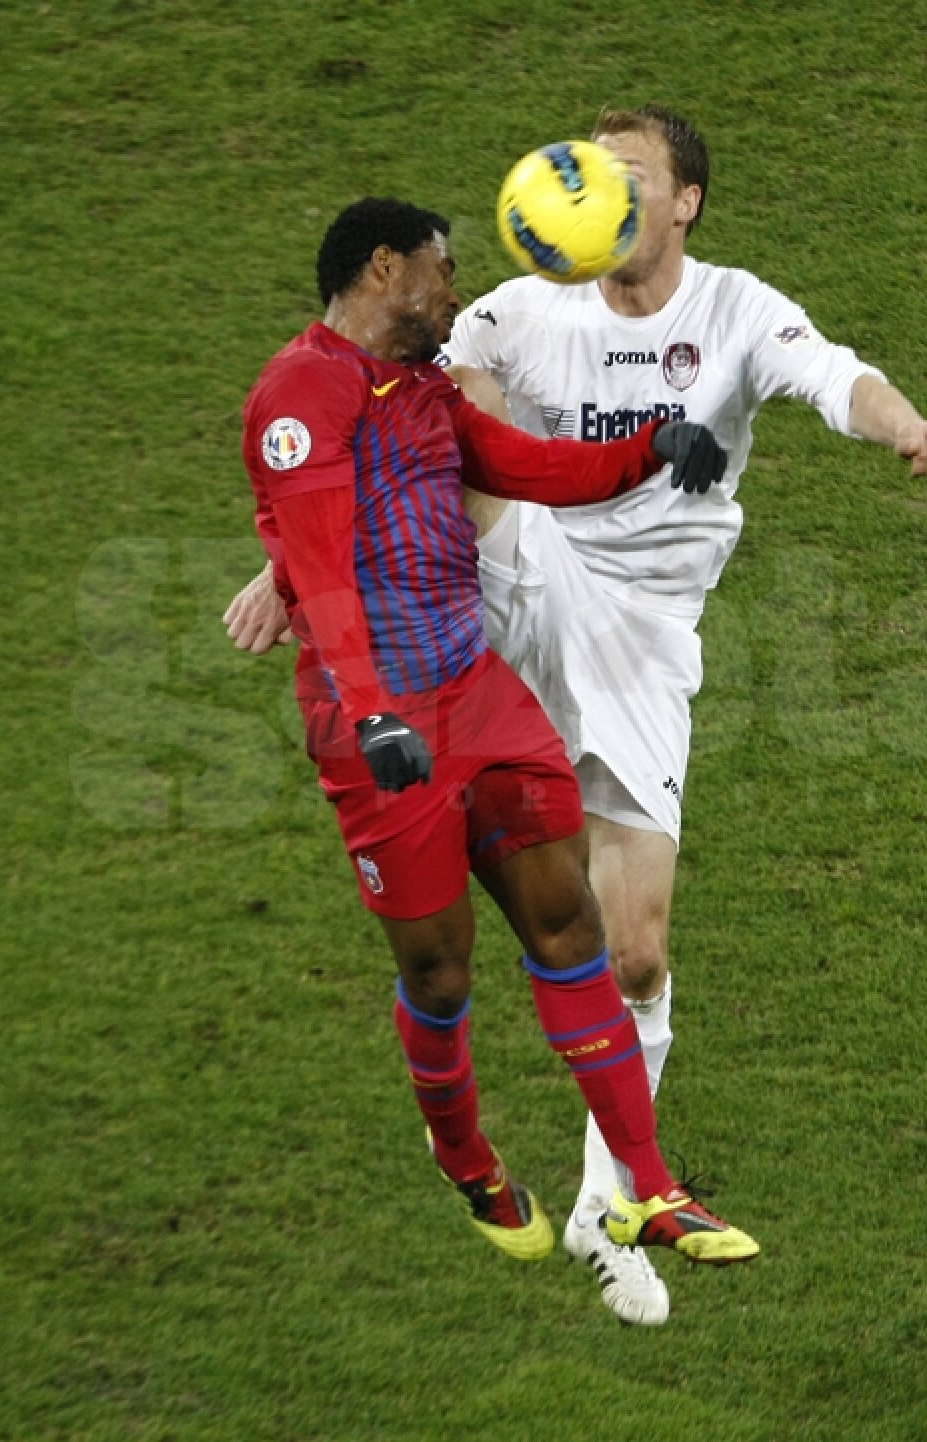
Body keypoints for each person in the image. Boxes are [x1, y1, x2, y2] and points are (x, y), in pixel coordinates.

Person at [227, 112, 927, 1324]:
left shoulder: (733, 310)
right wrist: (291, 563)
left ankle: (609, 1201)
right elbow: (366, 425)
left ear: (685, 205)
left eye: (634, 176)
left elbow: (838, 378)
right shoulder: (514, 309)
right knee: (463, 446)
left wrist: (909, 430)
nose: (605, 188)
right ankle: (487, 1153)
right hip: (524, 578)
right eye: (594, 170)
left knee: (630, 951)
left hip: (646, 629)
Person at [241, 195, 757, 1279]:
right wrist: (374, 708)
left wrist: (649, 450)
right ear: (382, 268)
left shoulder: (426, 391)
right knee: (438, 972)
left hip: (478, 699)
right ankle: (466, 1153)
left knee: (571, 924)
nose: (455, 289)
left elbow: (532, 466)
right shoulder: (301, 393)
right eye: (441, 269)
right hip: (373, 722)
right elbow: (323, 570)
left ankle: (648, 1183)